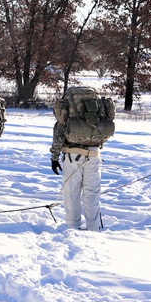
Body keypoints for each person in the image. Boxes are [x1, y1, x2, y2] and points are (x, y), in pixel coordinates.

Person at [49, 85, 116, 231]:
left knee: (71, 193)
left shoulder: (67, 108)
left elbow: (59, 133)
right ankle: (93, 227)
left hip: (73, 155)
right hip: (94, 155)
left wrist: (54, 156)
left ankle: (73, 227)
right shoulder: (97, 108)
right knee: (92, 194)